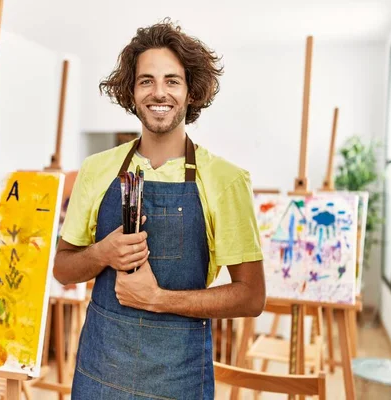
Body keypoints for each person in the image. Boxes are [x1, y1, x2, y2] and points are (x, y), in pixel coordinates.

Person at [53, 18, 266, 400]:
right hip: (100, 372)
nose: (159, 93)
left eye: (172, 80)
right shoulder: (97, 169)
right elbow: (63, 268)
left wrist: (157, 298)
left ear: (190, 92)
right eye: (146, 81)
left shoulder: (226, 180)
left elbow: (251, 297)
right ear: (131, 92)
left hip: (178, 380)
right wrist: (102, 252)